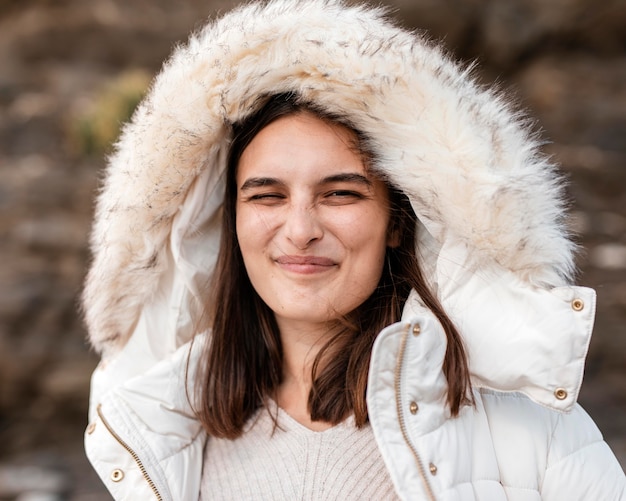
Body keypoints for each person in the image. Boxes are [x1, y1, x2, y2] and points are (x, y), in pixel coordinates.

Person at [82, 1, 626, 499]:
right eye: (266, 195)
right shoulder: (159, 432)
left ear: (396, 221)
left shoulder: (532, 428)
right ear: (233, 221)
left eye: (340, 193)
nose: (299, 231)